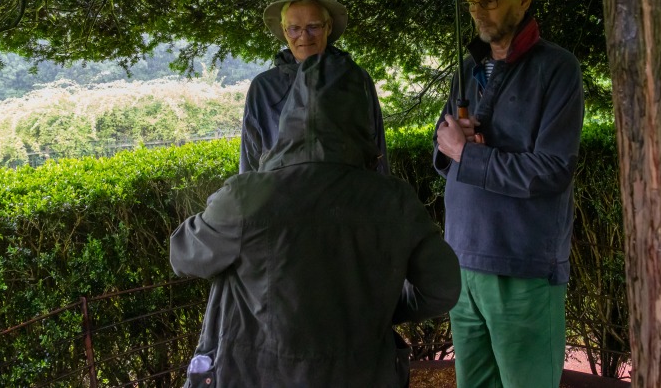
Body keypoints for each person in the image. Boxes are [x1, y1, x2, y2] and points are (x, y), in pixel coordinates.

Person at [171, 51, 461, 388]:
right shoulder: (393, 199)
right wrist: (378, 307)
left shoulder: (248, 196)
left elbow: (183, 255)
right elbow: (442, 287)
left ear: (291, 114)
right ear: (361, 116)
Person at [433, 0, 584, 388]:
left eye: (491, 0)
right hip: (462, 259)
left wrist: (471, 156)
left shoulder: (557, 69)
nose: (479, 11)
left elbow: (552, 171)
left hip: (523, 264)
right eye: (472, 1)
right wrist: (453, 143)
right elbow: (445, 149)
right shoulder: (467, 69)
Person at [240, 0, 389, 174]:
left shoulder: (356, 78)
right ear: (285, 31)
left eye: (314, 26)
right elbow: (250, 159)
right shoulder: (263, 87)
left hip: (346, 198)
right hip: (282, 199)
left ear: (328, 26)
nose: (304, 36)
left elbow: (376, 148)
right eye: (294, 28)